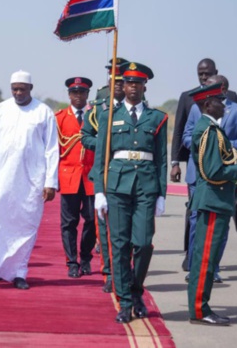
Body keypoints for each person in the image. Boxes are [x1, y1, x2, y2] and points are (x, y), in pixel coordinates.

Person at [187, 82, 237, 326]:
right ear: (208, 104)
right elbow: (213, 170)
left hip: (216, 200)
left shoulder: (211, 129)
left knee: (208, 257)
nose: (224, 105)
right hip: (213, 200)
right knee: (206, 258)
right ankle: (200, 310)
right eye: (219, 101)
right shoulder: (208, 131)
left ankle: (201, 307)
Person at [93, 62, 167, 323]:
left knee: (144, 243)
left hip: (146, 187)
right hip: (117, 187)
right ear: (122, 86)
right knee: (120, 245)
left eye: (138, 83)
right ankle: (125, 301)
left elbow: (161, 159)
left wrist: (162, 194)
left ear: (145, 86)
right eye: (129, 83)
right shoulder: (108, 116)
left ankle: (136, 290)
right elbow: (101, 156)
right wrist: (99, 191)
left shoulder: (157, 118)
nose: (133, 87)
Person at [0, 70, 58, 290]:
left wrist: (50, 182)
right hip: (2, 179)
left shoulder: (43, 112)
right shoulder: (0, 110)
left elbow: (51, 149)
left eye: (22, 89)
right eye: (14, 89)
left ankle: (20, 271)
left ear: (30, 88)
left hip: (31, 181)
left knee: (26, 226)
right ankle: (1, 268)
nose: (18, 93)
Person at [170, 59, 237, 271]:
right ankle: (191, 256)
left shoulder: (231, 96)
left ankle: (211, 263)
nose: (203, 77)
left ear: (215, 73)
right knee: (194, 214)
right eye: (200, 73)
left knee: (218, 215)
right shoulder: (188, 97)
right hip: (196, 166)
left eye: (207, 73)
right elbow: (180, 131)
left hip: (223, 169)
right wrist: (175, 162)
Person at [183, 75, 237, 283]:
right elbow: (186, 135)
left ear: (223, 89)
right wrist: (206, 145)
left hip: (225, 178)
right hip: (200, 175)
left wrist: (223, 145)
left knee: (220, 223)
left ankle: (213, 265)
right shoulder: (198, 109)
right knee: (197, 220)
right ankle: (195, 265)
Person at [82, 60, 127, 292]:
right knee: (104, 227)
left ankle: (124, 271)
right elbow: (85, 135)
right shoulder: (99, 106)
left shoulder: (138, 107)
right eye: (114, 80)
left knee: (125, 230)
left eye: (122, 81)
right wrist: (102, 144)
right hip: (104, 172)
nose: (118, 85)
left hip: (128, 174)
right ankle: (109, 273)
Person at [55, 76, 95, 278]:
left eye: (82, 92)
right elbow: (54, 150)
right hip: (68, 176)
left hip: (90, 177)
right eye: (74, 92)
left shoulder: (95, 116)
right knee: (68, 222)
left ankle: (86, 258)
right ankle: (71, 262)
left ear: (88, 95)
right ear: (69, 95)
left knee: (91, 220)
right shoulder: (60, 117)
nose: (78, 96)